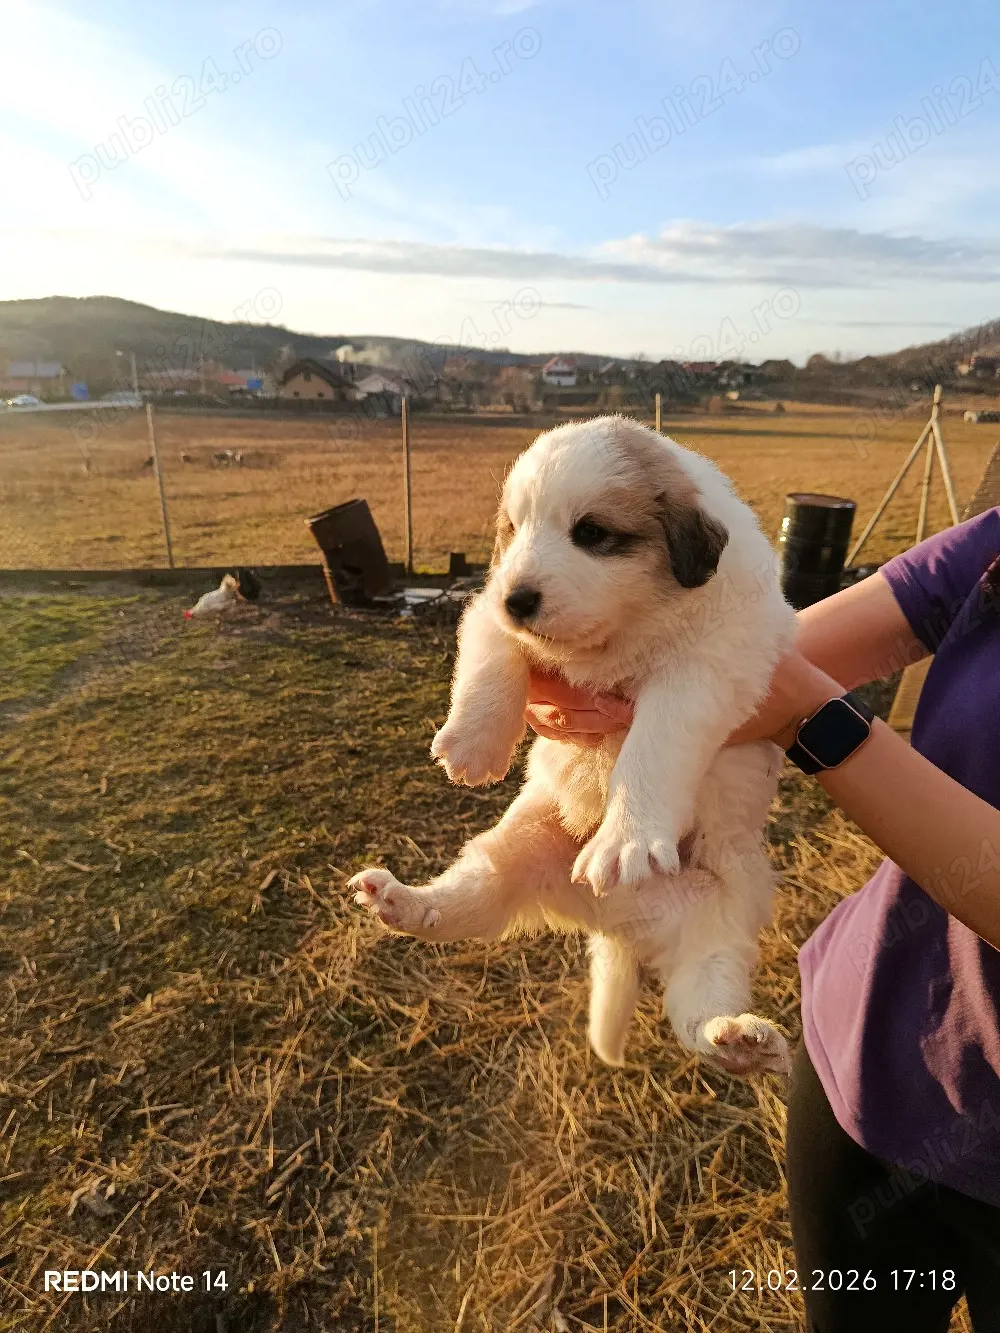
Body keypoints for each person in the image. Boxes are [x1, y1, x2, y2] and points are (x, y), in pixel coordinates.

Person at [523, 506, 1000, 1332]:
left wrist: (811, 719)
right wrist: (626, 692)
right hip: (865, 1058)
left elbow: (787, 691)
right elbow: (778, 659)